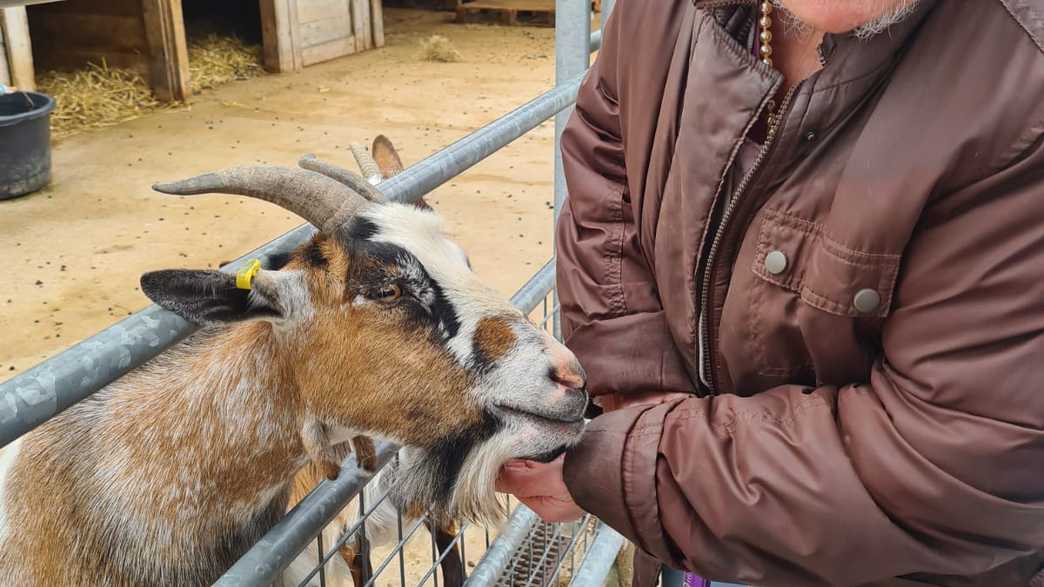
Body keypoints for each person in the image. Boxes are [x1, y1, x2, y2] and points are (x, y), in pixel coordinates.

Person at [495, 1, 1044, 585]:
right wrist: (639, 392)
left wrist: (634, 467)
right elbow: (610, 145)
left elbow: (964, 457)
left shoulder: (1023, 80)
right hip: (689, 527)